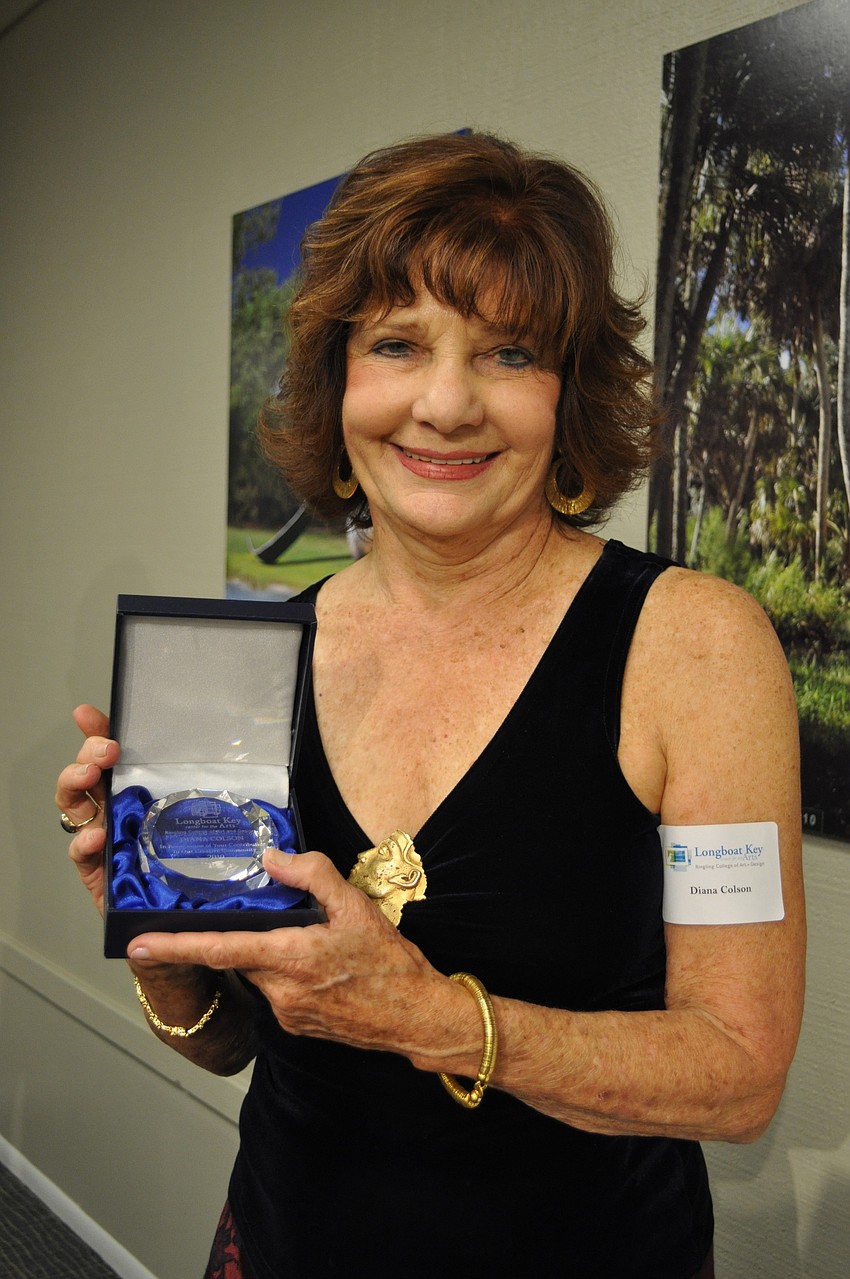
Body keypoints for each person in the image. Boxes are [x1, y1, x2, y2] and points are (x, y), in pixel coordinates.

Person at [55, 132, 805, 1279]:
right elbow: (232, 1046)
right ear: (338, 383)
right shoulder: (253, 657)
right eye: (397, 344)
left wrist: (429, 1018)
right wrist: (154, 937)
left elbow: (739, 1076)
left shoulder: (693, 647)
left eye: (508, 352)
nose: (446, 403)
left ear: (567, 394)